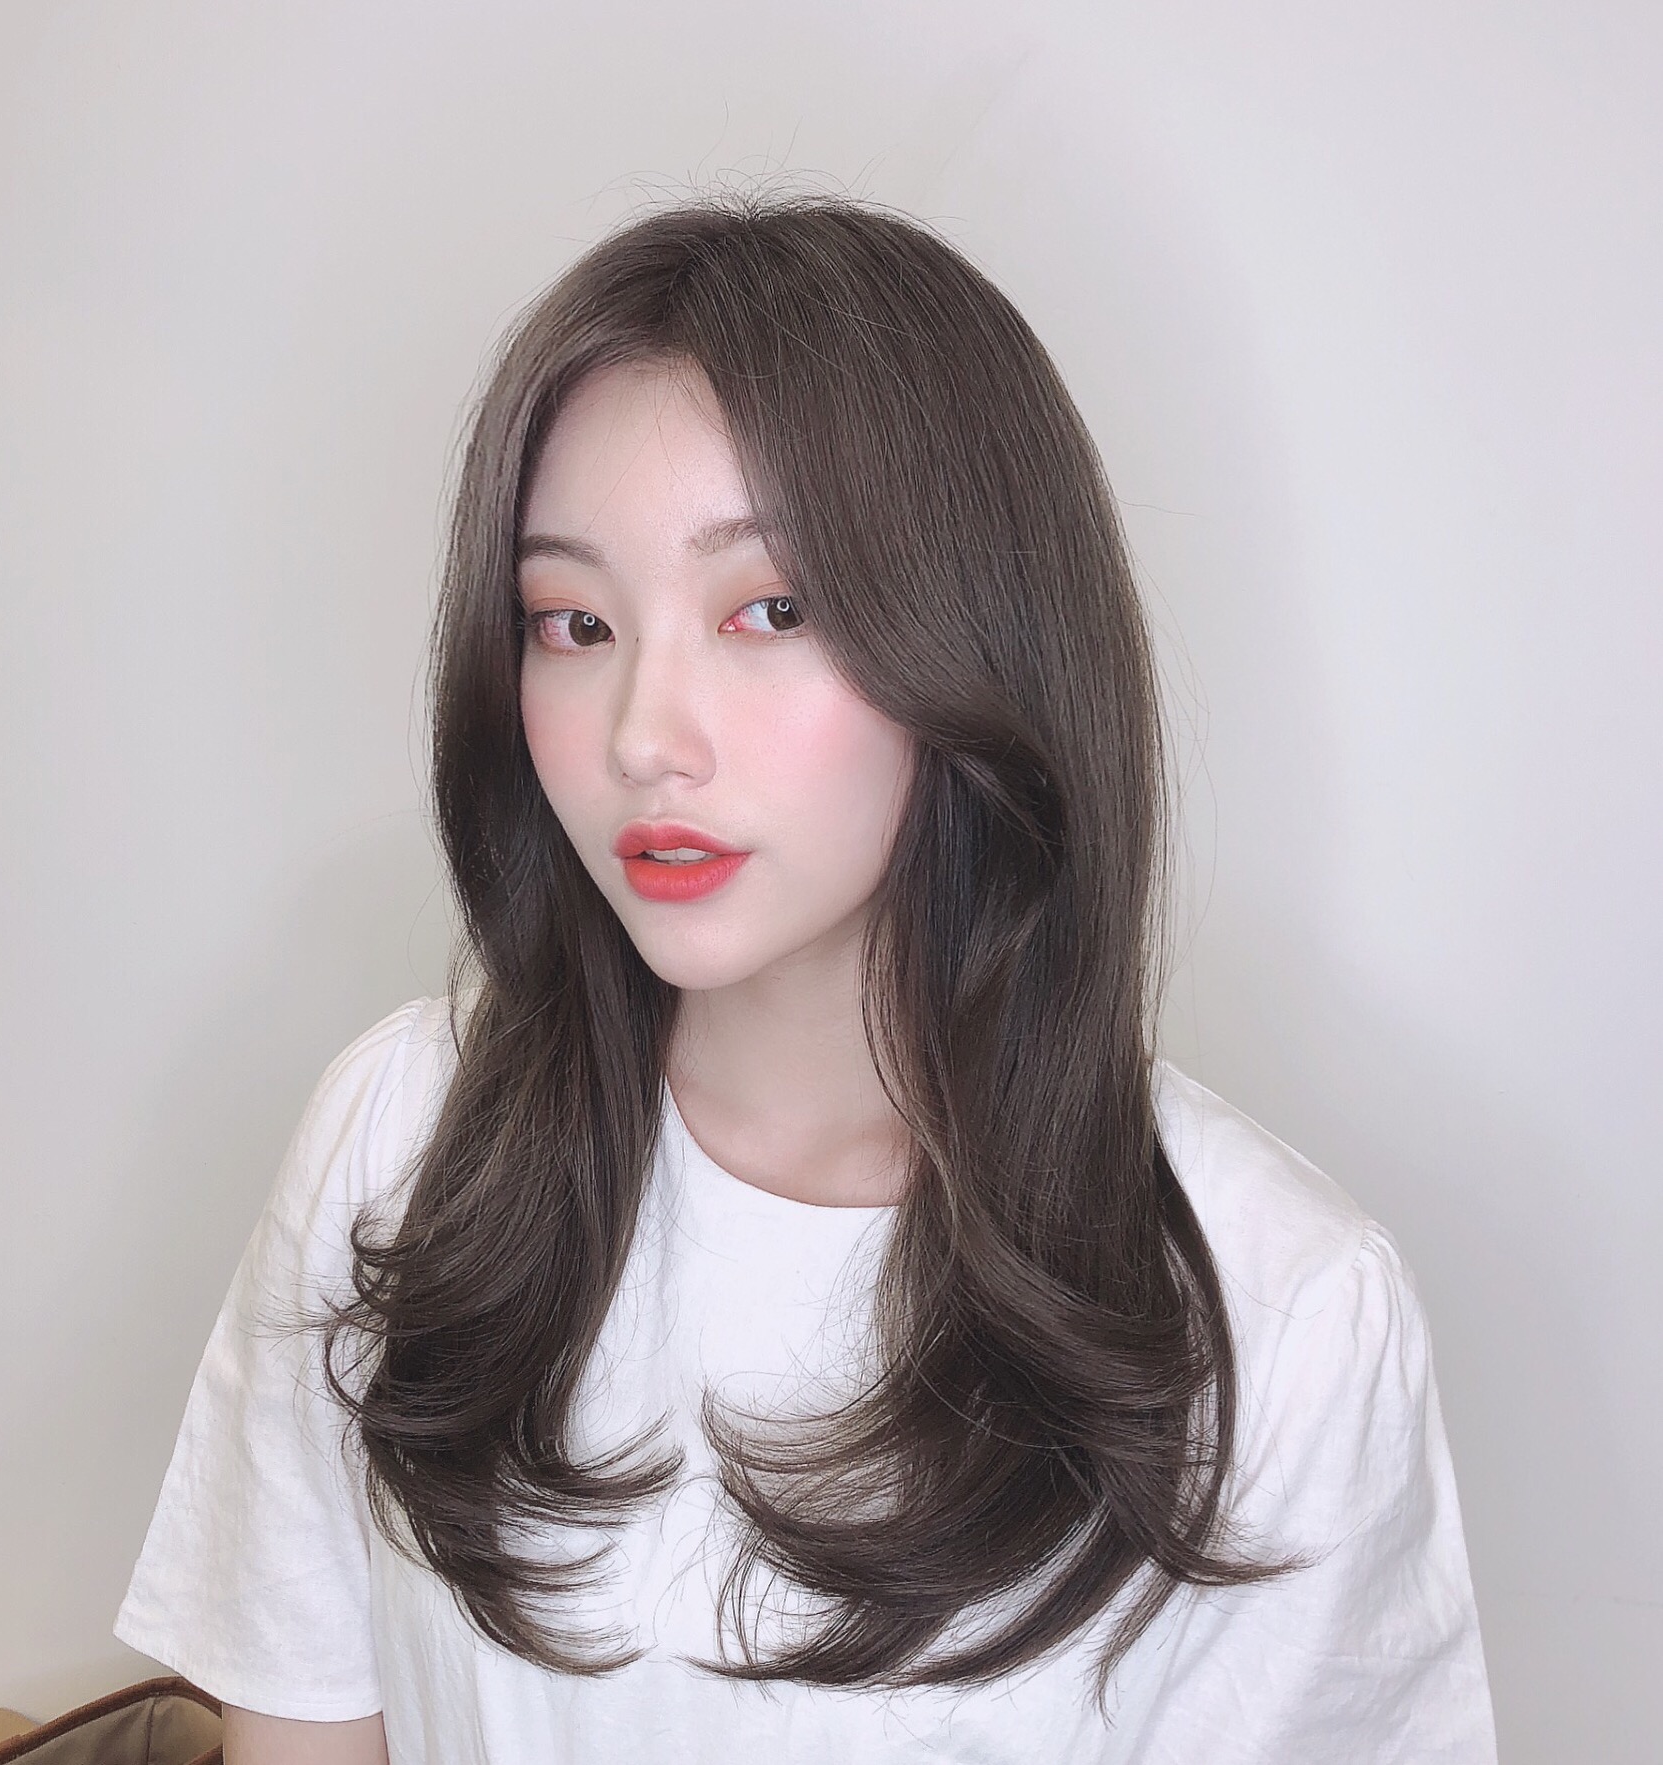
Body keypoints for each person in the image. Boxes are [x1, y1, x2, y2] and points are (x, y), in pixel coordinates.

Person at [114, 195, 1498, 1763]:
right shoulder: (400, 1137)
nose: (644, 735)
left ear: (978, 635)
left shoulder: (1281, 1314)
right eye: (572, 622)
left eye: (768, 609)